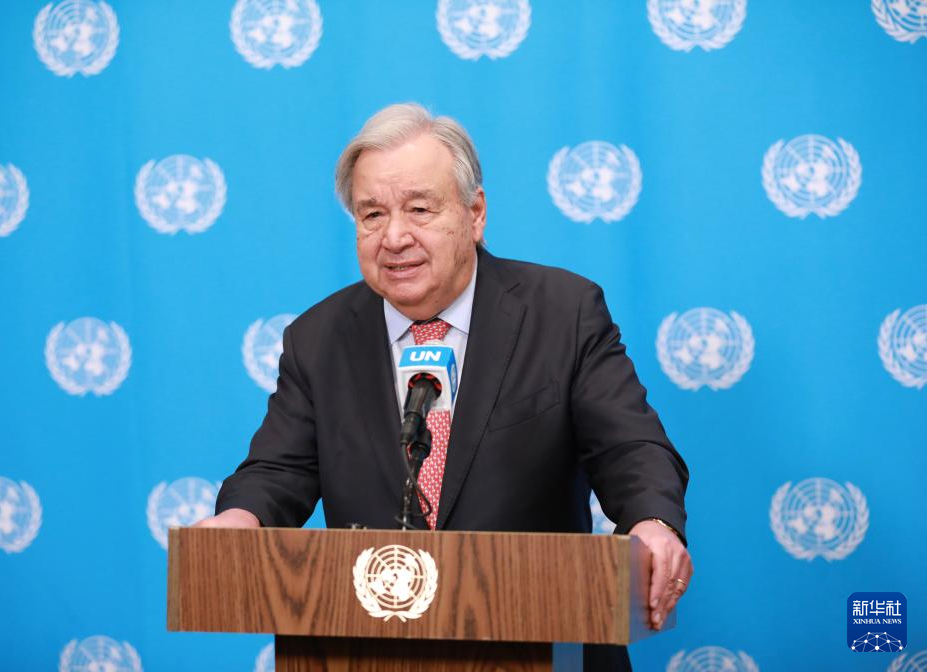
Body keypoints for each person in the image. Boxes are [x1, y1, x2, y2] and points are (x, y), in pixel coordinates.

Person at [196, 103, 692, 670]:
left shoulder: (562, 313)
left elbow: (629, 447)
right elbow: (278, 470)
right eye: (372, 214)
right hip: (368, 648)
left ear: (475, 214)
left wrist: (652, 522)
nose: (394, 236)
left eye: (419, 209)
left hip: (544, 638)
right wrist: (241, 519)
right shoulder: (319, 338)